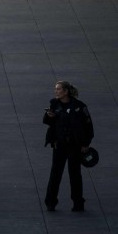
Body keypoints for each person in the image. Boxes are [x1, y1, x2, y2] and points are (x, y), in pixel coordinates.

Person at [43, 80, 93, 212]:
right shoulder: (54, 104)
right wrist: (49, 116)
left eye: (58, 89)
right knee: (55, 174)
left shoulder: (79, 107)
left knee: (75, 174)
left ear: (66, 91)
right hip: (59, 145)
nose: (56, 91)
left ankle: (78, 203)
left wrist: (86, 144)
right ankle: (50, 202)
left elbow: (89, 127)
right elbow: (47, 121)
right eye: (55, 89)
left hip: (74, 146)